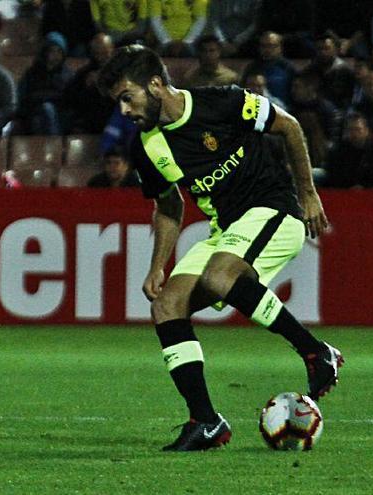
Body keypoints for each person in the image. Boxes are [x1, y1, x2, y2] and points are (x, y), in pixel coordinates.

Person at [97, 45, 343, 451]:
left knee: (220, 275)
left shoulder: (223, 102)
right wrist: (158, 265)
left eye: (128, 97)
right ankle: (206, 421)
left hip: (275, 210)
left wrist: (309, 194)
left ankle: (318, 354)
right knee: (166, 305)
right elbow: (169, 206)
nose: (123, 110)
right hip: (226, 228)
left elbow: (290, 127)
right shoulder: (147, 146)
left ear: (156, 84)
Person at [15, 31, 74, 135]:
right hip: (34, 115)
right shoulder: (32, 73)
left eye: (59, 52)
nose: (55, 56)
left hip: (61, 117)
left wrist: (42, 97)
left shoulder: (68, 75)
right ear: (45, 52)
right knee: (45, 112)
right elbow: (25, 98)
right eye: (52, 51)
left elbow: (69, 99)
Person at [322, 113, 373, 189]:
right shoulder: (337, 152)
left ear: (366, 131)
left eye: (358, 129)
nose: (354, 134)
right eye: (350, 130)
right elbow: (332, 177)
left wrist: (365, 187)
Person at [64, 33, 115, 134]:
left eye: (104, 53)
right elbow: (70, 99)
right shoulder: (84, 73)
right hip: (90, 121)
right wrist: (87, 87)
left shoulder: (122, 72)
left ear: (112, 50)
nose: (100, 58)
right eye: (97, 53)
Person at [241, 32, 296, 108]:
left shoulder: (287, 68)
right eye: (264, 46)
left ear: (280, 48)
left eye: (271, 46)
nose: (267, 50)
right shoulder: (252, 68)